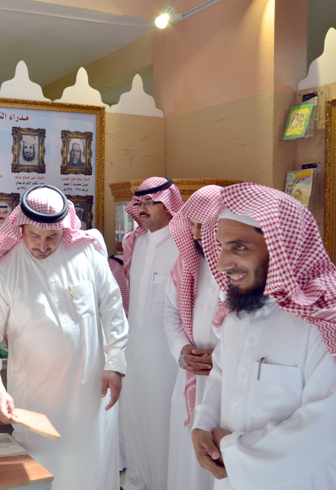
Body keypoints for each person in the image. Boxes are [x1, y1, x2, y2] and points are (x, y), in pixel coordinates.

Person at [192, 182, 336, 490]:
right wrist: (203, 426)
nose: (222, 263)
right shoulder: (238, 312)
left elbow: (328, 431)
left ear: (282, 248)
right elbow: (221, 376)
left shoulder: (330, 321)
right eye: (221, 246)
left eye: (239, 247)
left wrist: (233, 452)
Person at [0, 184, 128, 490]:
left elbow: (112, 308)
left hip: (90, 392)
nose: (42, 245)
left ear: (63, 230)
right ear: (21, 228)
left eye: (52, 237)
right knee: (41, 470)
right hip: (35, 396)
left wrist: (115, 364)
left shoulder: (86, 253)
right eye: (34, 236)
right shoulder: (5, 270)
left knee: (91, 467)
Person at [120, 176, 183, 490]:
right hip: (135, 347)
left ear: (169, 205)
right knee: (133, 416)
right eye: (139, 202)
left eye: (150, 202)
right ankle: (137, 481)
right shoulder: (136, 242)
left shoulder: (183, 244)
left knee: (161, 420)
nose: (142, 209)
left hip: (166, 353)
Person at [164, 185, 223, 490]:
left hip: (224, 379)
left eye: (205, 225)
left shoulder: (237, 266)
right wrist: (182, 350)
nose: (197, 234)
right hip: (189, 374)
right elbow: (171, 312)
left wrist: (221, 357)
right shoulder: (186, 262)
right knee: (186, 459)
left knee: (214, 456)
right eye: (192, 225)